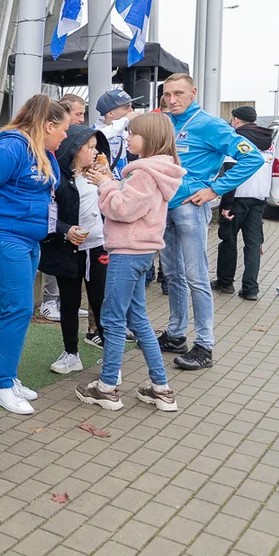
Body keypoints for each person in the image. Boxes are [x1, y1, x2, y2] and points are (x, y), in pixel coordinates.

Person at [0, 94, 69, 414]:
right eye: (62, 129)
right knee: (18, 307)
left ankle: (0, 377)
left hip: (27, 238)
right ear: (47, 125)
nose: (66, 135)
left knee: (16, 308)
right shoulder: (11, 146)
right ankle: (1, 383)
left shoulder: (43, 152)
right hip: (0, 234)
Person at [76, 113, 185, 411]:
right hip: (142, 253)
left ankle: (107, 386)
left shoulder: (144, 173)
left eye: (133, 133)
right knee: (138, 319)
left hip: (127, 252)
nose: (128, 137)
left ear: (148, 138)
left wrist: (107, 185)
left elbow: (123, 209)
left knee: (112, 319)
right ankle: (160, 387)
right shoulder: (160, 171)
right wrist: (110, 181)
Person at [157, 74, 262, 370]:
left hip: (191, 208)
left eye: (178, 93)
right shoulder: (166, 123)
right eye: (167, 94)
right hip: (165, 207)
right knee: (173, 274)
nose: (172, 99)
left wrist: (215, 189)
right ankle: (176, 334)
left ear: (193, 93)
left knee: (196, 276)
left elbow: (251, 157)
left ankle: (205, 345)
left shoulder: (209, 124)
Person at [39, 125, 111, 374]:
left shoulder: (102, 175)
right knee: (68, 302)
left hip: (97, 247)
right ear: (73, 150)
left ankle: (111, 359)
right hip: (67, 248)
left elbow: (118, 202)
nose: (95, 152)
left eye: (96, 147)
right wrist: (65, 230)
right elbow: (45, 214)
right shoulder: (57, 178)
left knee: (100, 301)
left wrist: (109, 180)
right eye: (89, 147)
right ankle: (71, 353)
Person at [39, 95, 91, 322]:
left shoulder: (61, 147)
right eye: (78, 114)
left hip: (61, 223)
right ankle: (49, 301)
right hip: (47, 225)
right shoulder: (47, 150)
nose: (81, 119)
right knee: (55, 244)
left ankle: (62, 301)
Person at [213, 105, 273, 300]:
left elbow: (231, 172)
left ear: (236, 120)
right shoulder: (269, 142)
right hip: (259, 199)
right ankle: (250, 289)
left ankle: (225, 282)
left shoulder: (237, 140)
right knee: (253, 245)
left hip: (237, 199)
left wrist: (226, 204)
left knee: (228, 240)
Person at [94, 89, 141, 179]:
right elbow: (102, 135)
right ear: (111, 113)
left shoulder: (123, 131)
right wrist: (126, 120)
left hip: (121, 182)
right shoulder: (95, 131)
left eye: (131, 107)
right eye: (126, 107)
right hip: (102, 184)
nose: (131, 111)